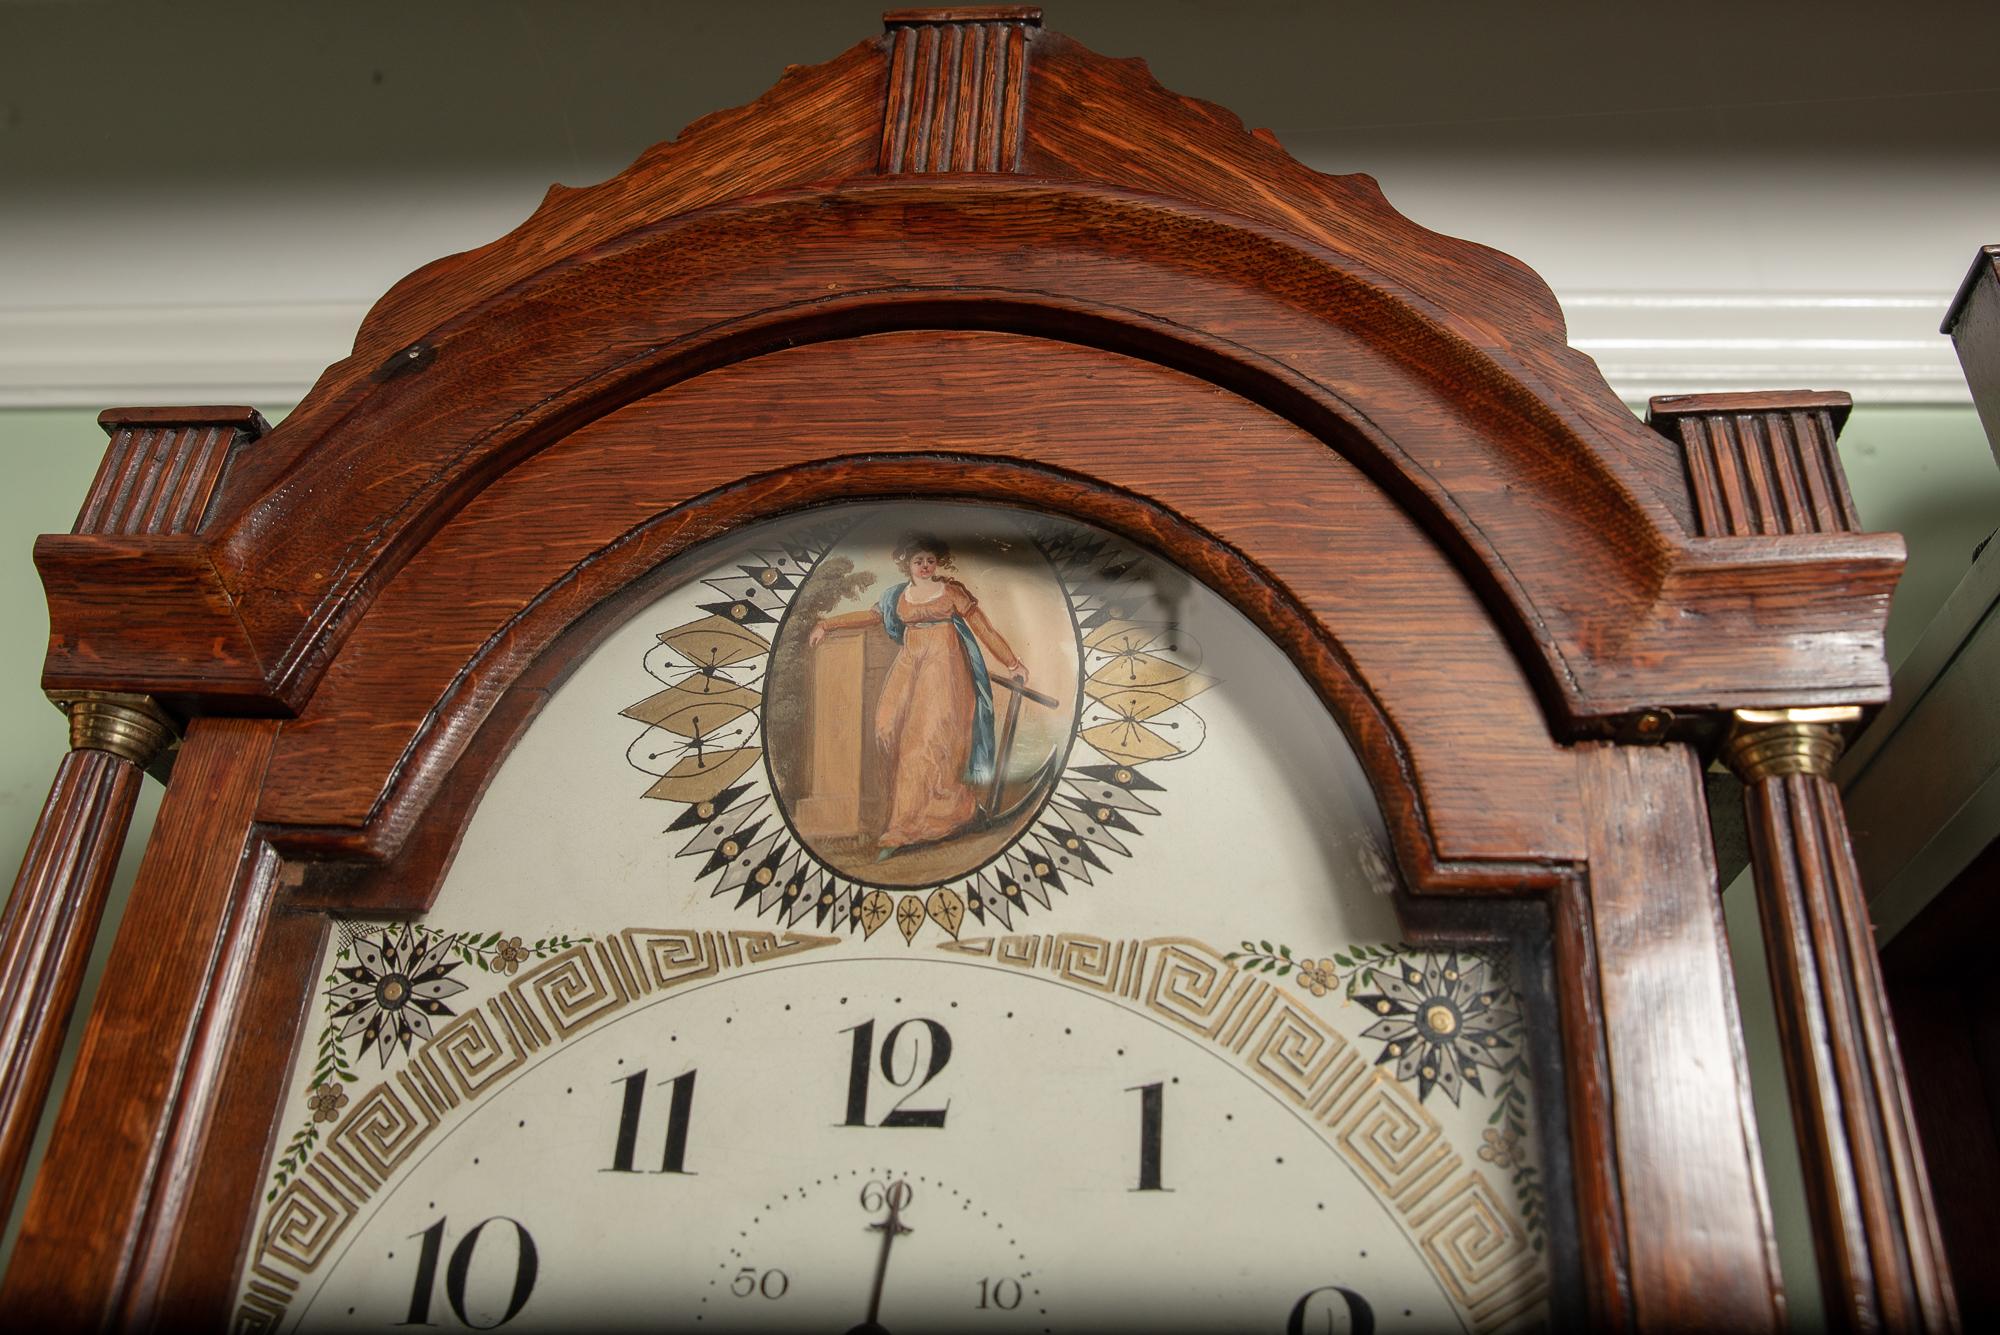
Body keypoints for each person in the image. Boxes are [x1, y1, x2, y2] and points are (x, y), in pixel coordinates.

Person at [809, 533, 1027, 858]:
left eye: (929, 560)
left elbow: (984, 629)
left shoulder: (952, 592)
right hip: (909, 664)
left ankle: (904, 829)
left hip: (944, 669)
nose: (925, 566)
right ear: (906, 564)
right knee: (885, 728)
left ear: (937, 561)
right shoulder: (897, 595)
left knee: (922, 743)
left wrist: (1012, 662)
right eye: (918, 561)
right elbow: (871, 617)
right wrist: (828, 624)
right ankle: (949, 809)